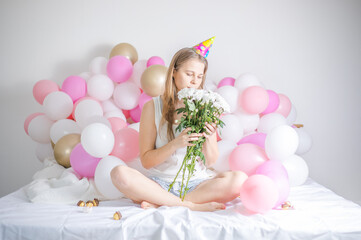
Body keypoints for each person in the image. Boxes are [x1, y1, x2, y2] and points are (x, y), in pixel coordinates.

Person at [111, 38, 247, 212]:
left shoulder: (205, 107)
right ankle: (188, 205)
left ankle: (162, 202)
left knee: (239, 180)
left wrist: (208, 138)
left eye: (199, 76)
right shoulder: (153, 107)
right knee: (119, 173)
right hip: (159, 184)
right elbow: (146, 161)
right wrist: (176, 143)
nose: (194, 82)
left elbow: (211, 160)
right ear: (174, 72)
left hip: (197, 184)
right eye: (189, 74)